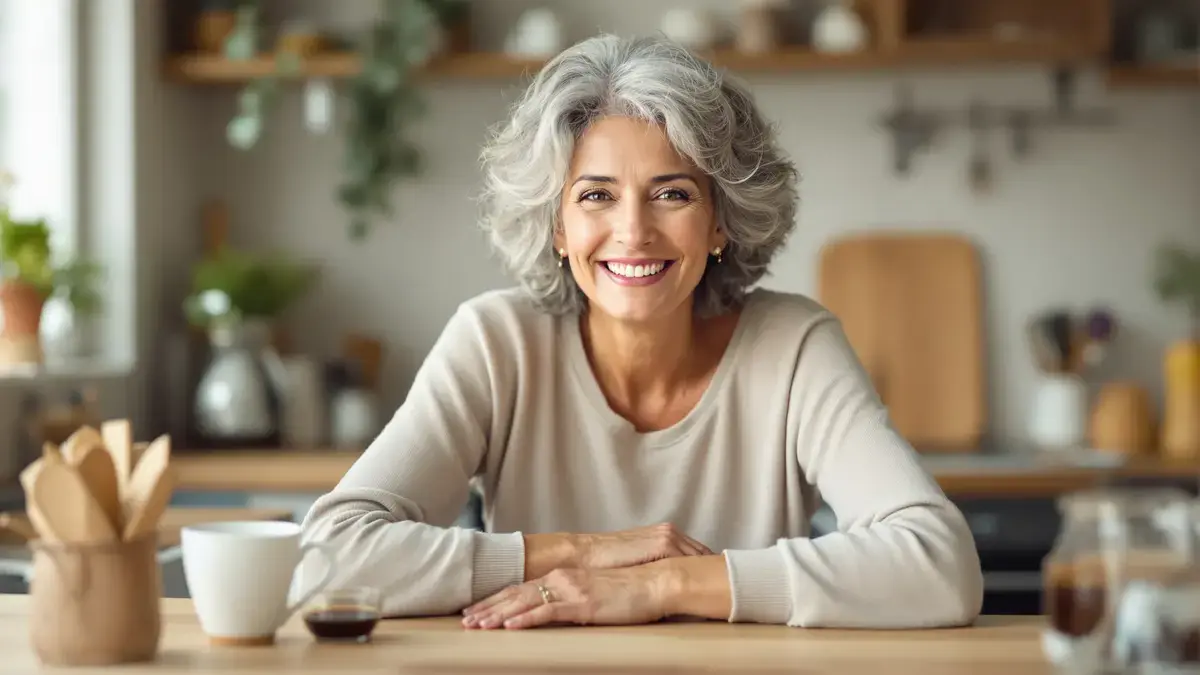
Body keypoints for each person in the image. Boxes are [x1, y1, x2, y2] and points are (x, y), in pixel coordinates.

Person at [298, 34, 983, 631]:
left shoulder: (794, 347)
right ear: (558, 226)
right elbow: (323, 559)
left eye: (672, 193)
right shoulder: (496, 342)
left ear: (720, 222)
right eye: (596, 195)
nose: (633, 231)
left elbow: (941, 563)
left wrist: (660, 584)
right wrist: (581, 552)